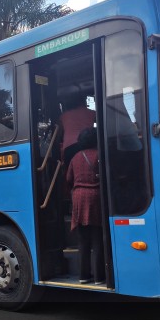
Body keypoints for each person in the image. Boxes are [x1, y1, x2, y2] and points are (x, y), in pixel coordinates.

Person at [66, 127, 105, 285]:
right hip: (95, 197)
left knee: (83, 241)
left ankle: (83, 276)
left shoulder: (75, 157)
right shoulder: (98, 155)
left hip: (78, 198)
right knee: (97, 239)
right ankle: (99, 277)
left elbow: (68, 178)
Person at [59, 92, 96, 165]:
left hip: (69, 148)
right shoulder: (92, 113)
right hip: (88, 144)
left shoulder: (64, 116)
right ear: (84, 101)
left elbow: (60, 133)